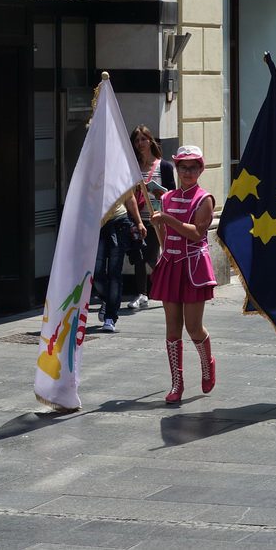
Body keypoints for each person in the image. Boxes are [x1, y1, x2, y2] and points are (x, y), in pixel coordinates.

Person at [148, 145, 217, 403]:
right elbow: (166, 239)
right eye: (183, 167)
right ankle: (177, 384)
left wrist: (167, 219)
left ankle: (207, 363)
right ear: (176, 168)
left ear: (200, 169)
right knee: (172, 328)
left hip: (193, 266)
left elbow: (197, 232)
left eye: (193, 167)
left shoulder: (204, 199)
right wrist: (160, 225)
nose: (188, 172)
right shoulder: (166, 198)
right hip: (171, 263)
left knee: (194, 326)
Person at [127, 125, 175, 310]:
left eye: (143, 139)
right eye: (137, 140)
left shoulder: (163, 166)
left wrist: (158, 195)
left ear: (150, 140)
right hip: (137, 217)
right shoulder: (133, 167)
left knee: (151, 256)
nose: (140, 143)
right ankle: (142, 293)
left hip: (157, 219)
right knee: (138, 255)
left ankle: (167, 283)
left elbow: (171, 193)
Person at [94, 190, 145, 333]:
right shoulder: (91, 170)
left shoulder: (119, 169)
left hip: (119, 222)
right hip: (96, 225)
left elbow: (129, 197)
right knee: (96, 272)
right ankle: (107, 298)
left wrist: (139, 222)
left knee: (114, 273)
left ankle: (110, 317)